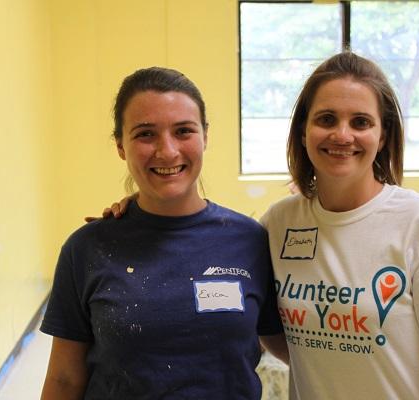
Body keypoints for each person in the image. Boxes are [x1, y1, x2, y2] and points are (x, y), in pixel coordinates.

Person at [101, 52, 419, 399]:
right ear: (303, 132)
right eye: (326, 119)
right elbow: (266, 319)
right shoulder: (278, 224)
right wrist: (138, 213)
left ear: (382, 136)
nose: (342, 135)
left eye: (361, 122)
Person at [40, 67, 286, 400]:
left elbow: (295, 347)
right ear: (120, 145)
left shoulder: (250, 240)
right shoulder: (88, 248)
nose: (167, 151)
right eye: (145, 134)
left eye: (183, 131)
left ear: (205, 137)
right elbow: (65, 379)